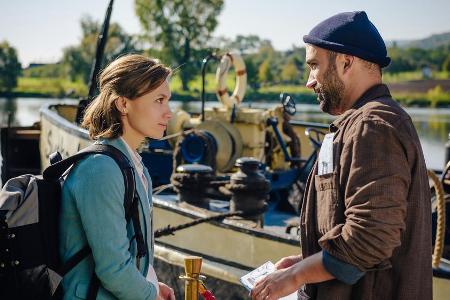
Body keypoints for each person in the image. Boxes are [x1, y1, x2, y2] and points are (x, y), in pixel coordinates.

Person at [252, 11, 432, 300]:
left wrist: (294, 277)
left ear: (346, 62)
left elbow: (370, 239)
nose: (310, 81)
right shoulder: (361, 124)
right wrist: (304, 262)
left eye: (314, 66)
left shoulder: (373, 127)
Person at [59, 54, 176, 300]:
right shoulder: (100, 169)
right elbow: (113, 270)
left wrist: (152, 286)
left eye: (168, 100)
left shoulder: (134, 166)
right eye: (159, 100)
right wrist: (149, 296)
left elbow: (132, 254)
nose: (169, 113)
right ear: (123, 104)